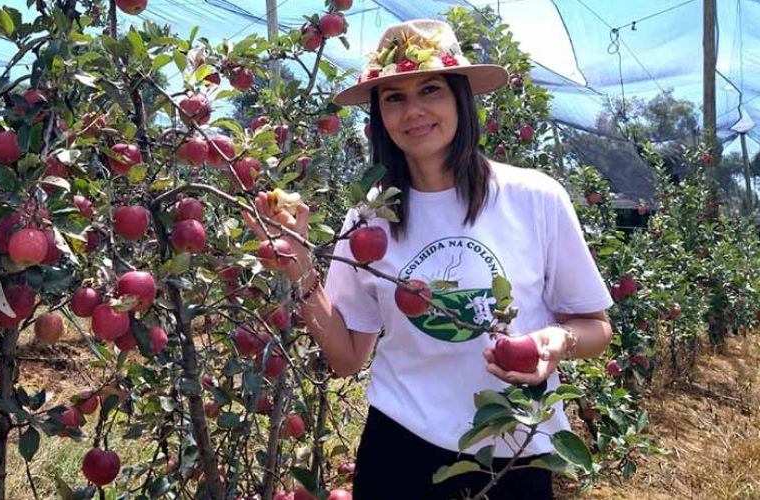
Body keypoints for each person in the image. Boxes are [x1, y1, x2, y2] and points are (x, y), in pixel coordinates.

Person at [243, 19, 614, 499]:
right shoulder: (369, 216)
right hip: (400, 450)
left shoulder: (535, 197)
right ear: (378, 115)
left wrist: (557, 342)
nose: (413, 110)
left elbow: (595, 326)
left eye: (430, 89)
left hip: (513, 453)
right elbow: (346, 358)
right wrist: (297, 264)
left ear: (461, 98)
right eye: (394, 97)